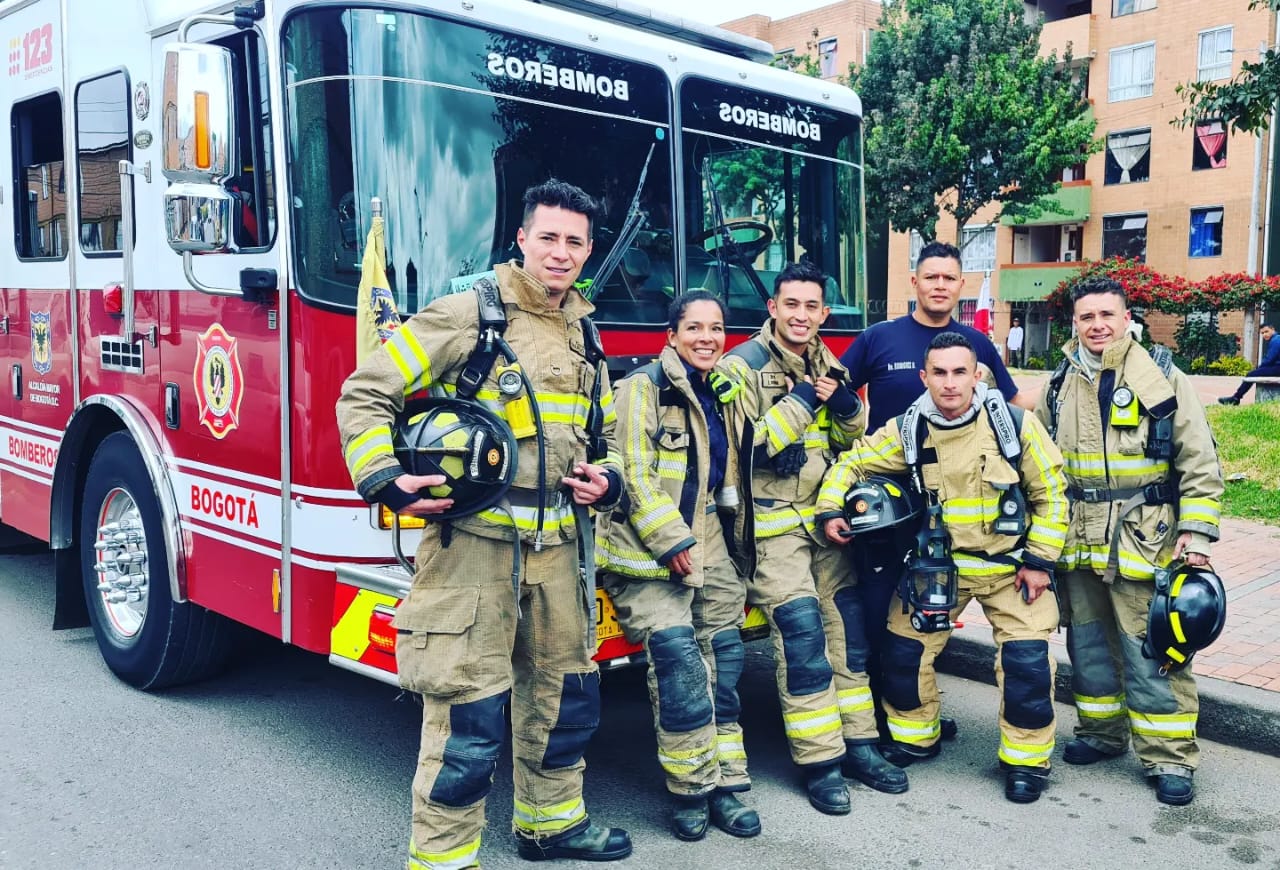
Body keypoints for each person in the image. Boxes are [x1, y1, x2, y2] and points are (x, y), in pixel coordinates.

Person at [337, 179, 632, 868]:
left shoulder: (584, 332)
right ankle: (443, 859)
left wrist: (608, 477)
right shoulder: (469, 314)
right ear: (523, 239)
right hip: (473, 550)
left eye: (575, 242)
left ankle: (550, 824)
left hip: (560, 550)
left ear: (589, 252)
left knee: (565, 701)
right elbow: (366, 390)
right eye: (549, 237)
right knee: (466, 715)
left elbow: (608, 436)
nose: (561, 253)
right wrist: (383, 478)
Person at [818, 331, 1069, 803]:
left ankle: (1026, 763)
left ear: (977, 375)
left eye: (960, 372)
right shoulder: (908, 429)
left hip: (1010, 568)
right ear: (924, 377)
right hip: (938, 570)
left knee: (1027, 665)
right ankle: (916, 739)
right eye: (939, 373)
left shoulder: (1015, 425)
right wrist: (831, 509)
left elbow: (1052, 495)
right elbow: (852, 463)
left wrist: (1039, 562)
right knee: (902, 653)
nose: (950, 384)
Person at [720, 261, 908, 817]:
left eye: (812, 307)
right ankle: (820, 762)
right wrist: (804, 398)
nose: (801, 316)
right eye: (791, 305)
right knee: (802, 641)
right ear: (772, 308)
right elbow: (745, 447)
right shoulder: (740, 366)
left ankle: (860, 746)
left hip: (824, 524)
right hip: (773, 532)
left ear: (823, 313)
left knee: (846, 635)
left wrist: (847, 407)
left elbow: (848, 438)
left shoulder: (829, 360)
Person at [1037, 277, 1224, 806]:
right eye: (1086, 317)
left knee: (1155, 649)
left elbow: (1200, 462)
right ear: (1073, 323)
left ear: (1126, 319)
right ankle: (1101, 734)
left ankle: (1169, 756)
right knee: (1089, 647)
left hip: (1145, 538)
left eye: (1107, 315)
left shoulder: (1161, 376)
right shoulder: (1059, 383)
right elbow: (1042, 462)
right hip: (1079, 541)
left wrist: (1196, 535)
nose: (1097, 325)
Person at [838, 240, 1032, 745]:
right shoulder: (879, 337)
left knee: (926, 620)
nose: (940, 285)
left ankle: (914, 714)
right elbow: (837, 394)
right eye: (931, 277)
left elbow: (1009, 408)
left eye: (949, 278)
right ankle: (884, 720)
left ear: (960, 285)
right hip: (889, 507)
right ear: (915, 282)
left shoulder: (975, 344)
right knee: (886, 616)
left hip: (949, 514)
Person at [597, 291, 760, 843]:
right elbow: (635, 475)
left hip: (711, 536)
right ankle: (691, 789)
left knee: (727, 658)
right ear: (671, 336)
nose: (707, 337)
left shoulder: (723, 392)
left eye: (716, 328)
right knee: (680, 662)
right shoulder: (639, 390)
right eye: (694, 328)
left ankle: (728, 780)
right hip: (648, 553)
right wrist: (671, 540)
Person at [1219, 323, 1279, 404]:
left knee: (1251, 374)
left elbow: (1270, 359)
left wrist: (1259, 368)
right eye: (1262, 333)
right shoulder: (1276, 339)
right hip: (1276, 367)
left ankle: (1236, 398)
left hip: (1277, 368)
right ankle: (1236, 397)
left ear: (1272, 329)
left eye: (1266, 331)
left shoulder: (1276, 340)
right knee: (1254, 373)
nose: (1264, 335)